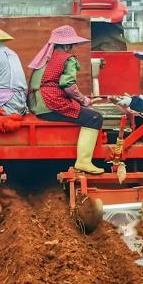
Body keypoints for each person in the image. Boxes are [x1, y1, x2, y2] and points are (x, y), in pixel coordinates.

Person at [28, 25, 104, 174]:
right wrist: (84, 100)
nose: (74, 47)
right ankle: (83, 162)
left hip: (36, 105)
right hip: (51, 104)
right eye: (73, 44)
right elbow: (67, 85)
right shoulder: (68, 59)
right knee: (94, 117)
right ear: (67, 45)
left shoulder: (45, 58)